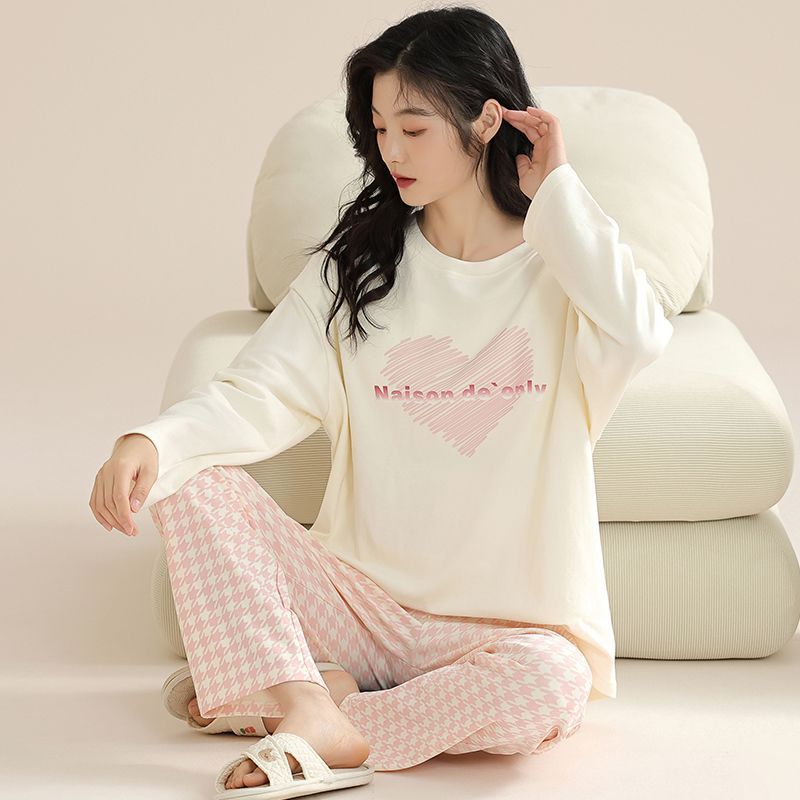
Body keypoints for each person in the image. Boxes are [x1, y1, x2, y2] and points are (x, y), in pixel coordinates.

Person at [89, 5, 673, 794]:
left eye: (414, 128)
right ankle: (307, 699)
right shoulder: (360, 270)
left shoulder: (562, 268)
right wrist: (153, 443)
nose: (392, 151)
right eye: (378, 129)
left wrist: (557, 192)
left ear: (486, 120)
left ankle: (310, 706)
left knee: (551, 684)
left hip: (502, 633)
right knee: (195, 482)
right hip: (356, 607)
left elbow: (640, 334)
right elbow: (257, 389)